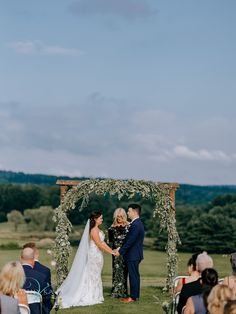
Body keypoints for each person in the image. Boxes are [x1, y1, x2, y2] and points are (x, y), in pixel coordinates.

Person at [56, 211, 115, 308]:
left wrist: (112, 251)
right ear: (95, 219)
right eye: (100, 218)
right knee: (92, 274)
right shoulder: (94, 231)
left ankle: (96, 294)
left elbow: (103, 243)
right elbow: (99, 244)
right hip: (94, 255)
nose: (102, 220)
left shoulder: (97, 229)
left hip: (98, 254)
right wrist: (112, 252)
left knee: (96, 274)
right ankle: (90, 295)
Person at [114, 203, 145, 303]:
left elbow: (130, 241)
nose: (127, 213)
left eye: (129, 211)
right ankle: (135, 296)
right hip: (135, 254)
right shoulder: (137, 223)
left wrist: (120, 251)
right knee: (134, 275)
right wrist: (120, 248)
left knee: (133, 276)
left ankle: (132, 297)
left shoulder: (136, 224)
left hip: (133, 254)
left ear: (134, 212)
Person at [23, 242, 54, 312]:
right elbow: (47, 294)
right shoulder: (45, 270)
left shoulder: (16, 270)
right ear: (37, 253)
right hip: (38, 308)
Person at [108, 207, 129, 298]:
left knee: (124, 271)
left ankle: (123, 291)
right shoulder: (111, 228)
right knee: (116, 270)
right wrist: (114, 250)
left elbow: (129, 241)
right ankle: (115, 291)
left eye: (121, 216)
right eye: (117, 216)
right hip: (115, 253)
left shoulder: (128, 227)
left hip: (125, 252)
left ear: (124, 216)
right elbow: (110, 242)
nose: (119, 218)